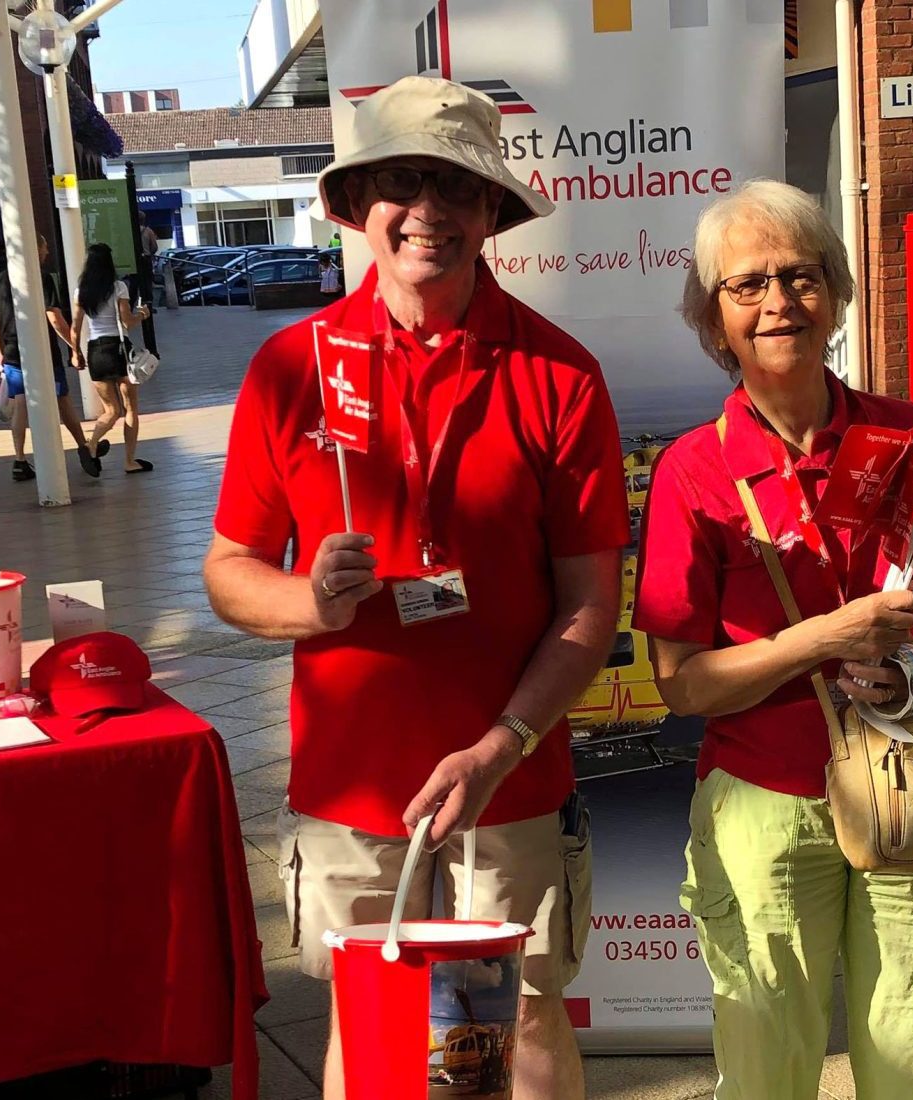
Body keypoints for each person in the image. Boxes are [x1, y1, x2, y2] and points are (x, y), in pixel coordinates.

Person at [202, 76, 625, 1100]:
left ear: (490, 214)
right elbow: (226, 570)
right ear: (358, 207)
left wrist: (498, 746)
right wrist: (312, 603)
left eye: (455, 185)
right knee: (377, 1027)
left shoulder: (560, 376)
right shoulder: (290, 367)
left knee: (521, 1026)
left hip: (508, 778)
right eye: (400, 181)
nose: (426, 208)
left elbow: (588, 605)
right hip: (351, 780)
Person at [633, 180, 913, 1100]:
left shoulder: (909, 436)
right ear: (712, 317)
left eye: (801, 277)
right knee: (768, 1061)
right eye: (748, 285)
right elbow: (683, 683)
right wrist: (821, 640)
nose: (778, 304)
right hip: (763, 798)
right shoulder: (693, 472)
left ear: (837, 295)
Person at [0, 237, 99, 480]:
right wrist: (74, 346)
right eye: (44, 247)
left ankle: (19, 460)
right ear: (35, 249)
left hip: (13, 352)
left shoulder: (1, 278)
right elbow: (54, 317)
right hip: (43, 351)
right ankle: (83, 447)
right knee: (62, 399)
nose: (47, 251)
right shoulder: (42, 277)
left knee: (20, 403)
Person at [73, 243, 155, 474]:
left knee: (110, 410)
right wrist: (143, 314)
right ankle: (130, 461)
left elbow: (75, 327)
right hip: (118, 350)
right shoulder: (119, 287)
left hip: (95, 351)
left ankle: (90, 445)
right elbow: (126, 321)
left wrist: (74, 352)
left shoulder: (81, 291)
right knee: (130, 408)